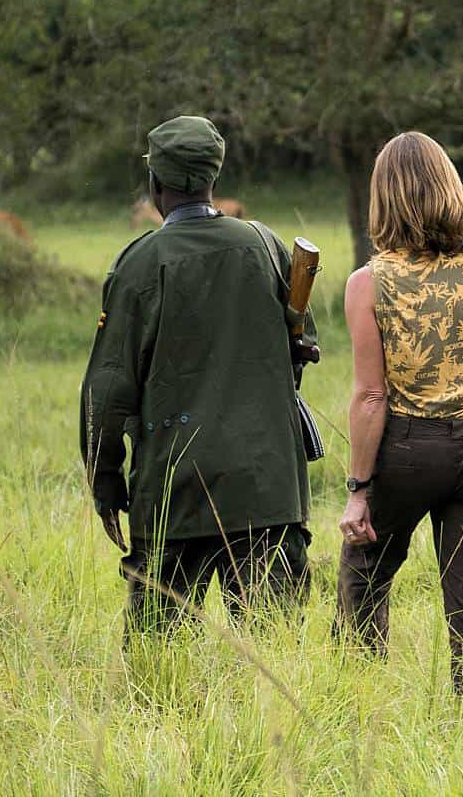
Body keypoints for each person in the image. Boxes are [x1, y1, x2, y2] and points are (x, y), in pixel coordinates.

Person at [79, 116, 317, 631]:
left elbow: (107, 390)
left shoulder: (140, 263)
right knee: (274, 657)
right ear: (215, 176)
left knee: (157, 655)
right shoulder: (266, 246)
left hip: (173, 489)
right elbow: (303, 348)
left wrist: (105, 485)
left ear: (154, 185)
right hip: (267, 489)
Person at [335, 131, 463, 692]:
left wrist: (358, 489)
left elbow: (371, 395)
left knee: (364, 576)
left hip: (405, 449)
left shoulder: (369, 282)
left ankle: (357, 699)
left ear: (385, 199)